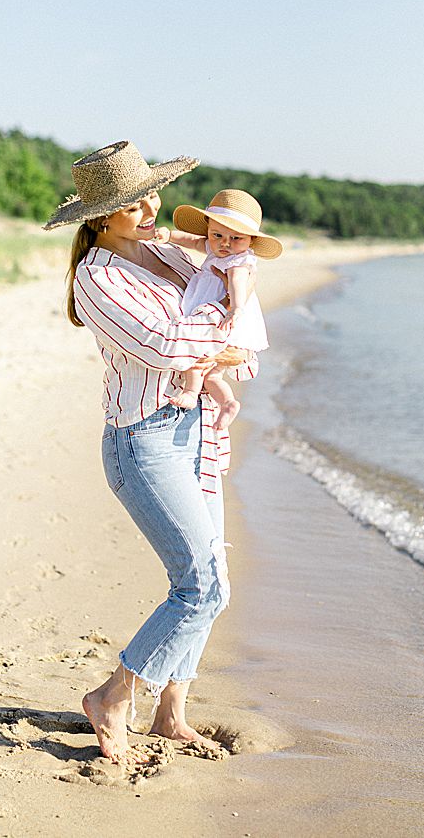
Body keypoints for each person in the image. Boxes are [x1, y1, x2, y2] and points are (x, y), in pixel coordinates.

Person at [44, 140, 255, 763]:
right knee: (203, 585)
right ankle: (114, 694)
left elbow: (235, 338)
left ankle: (171, 711)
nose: (146, 207)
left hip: (193, 432)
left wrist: (224, 339)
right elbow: (167, 348)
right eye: (127, 202)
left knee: (206, 575)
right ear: (98, 217)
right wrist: (223, 333)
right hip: (143, 442)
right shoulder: (98, 278)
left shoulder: (168, 255)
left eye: (148, 193)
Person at [158, 188, 281, 429]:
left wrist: (234, 308)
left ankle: (191, 392)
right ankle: (227, 403)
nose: (225, 243)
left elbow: (237, 283)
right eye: (217, 235)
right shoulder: (215, 248)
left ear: (251, 240)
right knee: (213, 373)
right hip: (217, 311)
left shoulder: (239, 261)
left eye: (236, 238)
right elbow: (192, 241)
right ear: (209, 231)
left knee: (198, 354)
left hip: (224, 316)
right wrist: (169, 235)